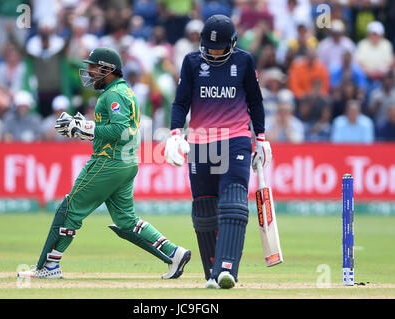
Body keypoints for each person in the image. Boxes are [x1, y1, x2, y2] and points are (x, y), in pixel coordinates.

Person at [18, 47, 191, 279]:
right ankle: (174, 253)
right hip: (126, 162)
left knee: (70, 209)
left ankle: (48, 267)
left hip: (108, 161)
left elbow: (119, 129)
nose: (88, 71)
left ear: (107, 69)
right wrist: (85, 126)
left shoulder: (113, 95)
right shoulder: (124, 91)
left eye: (93, 66)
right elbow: (120, 125)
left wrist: (85, 128)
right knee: (126, 221)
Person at [164, 14, 271, 289]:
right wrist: (175, 133)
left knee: (233, 202)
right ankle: (212, 272)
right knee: (204, 208)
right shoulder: (191, 62)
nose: (213, 51)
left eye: (219, 47)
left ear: (232, 43)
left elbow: (256, 101)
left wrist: (260, 137)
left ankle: (227, 270)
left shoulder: (244, 61)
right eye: (209, 47)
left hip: (235, 139)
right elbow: (181, 102)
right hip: (200, 142)